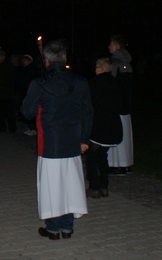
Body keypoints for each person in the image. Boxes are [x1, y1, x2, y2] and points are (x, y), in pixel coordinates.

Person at [21, 39, 92, 241]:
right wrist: (84, 138)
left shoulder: (40, 83)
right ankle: (67, 226)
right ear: (64, 59)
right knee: (69, 183)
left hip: (50, 142)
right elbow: (87, 112)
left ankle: (53, 227)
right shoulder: (80, 81)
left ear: (47, 61)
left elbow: (27, 111)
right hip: (73, 140)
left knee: (51, 184)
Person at [86, 57, 123, 198]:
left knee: (91, 156)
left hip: (98, 125)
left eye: (96, 66)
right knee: (102, 156)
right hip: (113, 124)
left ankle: (94, 187)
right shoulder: (116, 83)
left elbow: (89, 104)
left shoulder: (94, 84)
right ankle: (104, 186)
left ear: (101, 68)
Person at [107, 34, 134, 175]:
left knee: (119, 134)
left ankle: (120, 165)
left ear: (116, 46)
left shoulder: (119, 65)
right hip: (123, 106)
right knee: (123, 134)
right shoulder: (123, 64)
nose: (108, 47)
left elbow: (119, 87)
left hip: (119, 107)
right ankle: (123, 164)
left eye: (110, 44)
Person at [0, 49, 16, 133]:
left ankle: (12, 128)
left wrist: (1, 84)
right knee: (0, 112)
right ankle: (2, 127)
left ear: (3, 57)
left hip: (7, 93)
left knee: (9, 112)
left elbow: (11, 79)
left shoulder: (9, 66)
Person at [16, 54, 41, 136]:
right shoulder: (24, 69)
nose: (23, 62)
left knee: (31, 108)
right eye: (23, 60)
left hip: (30, 92)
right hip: (24, 91)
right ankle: (30, 127)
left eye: (25, 60)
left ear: (29, 61)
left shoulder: (33, 70)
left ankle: (33, 128)